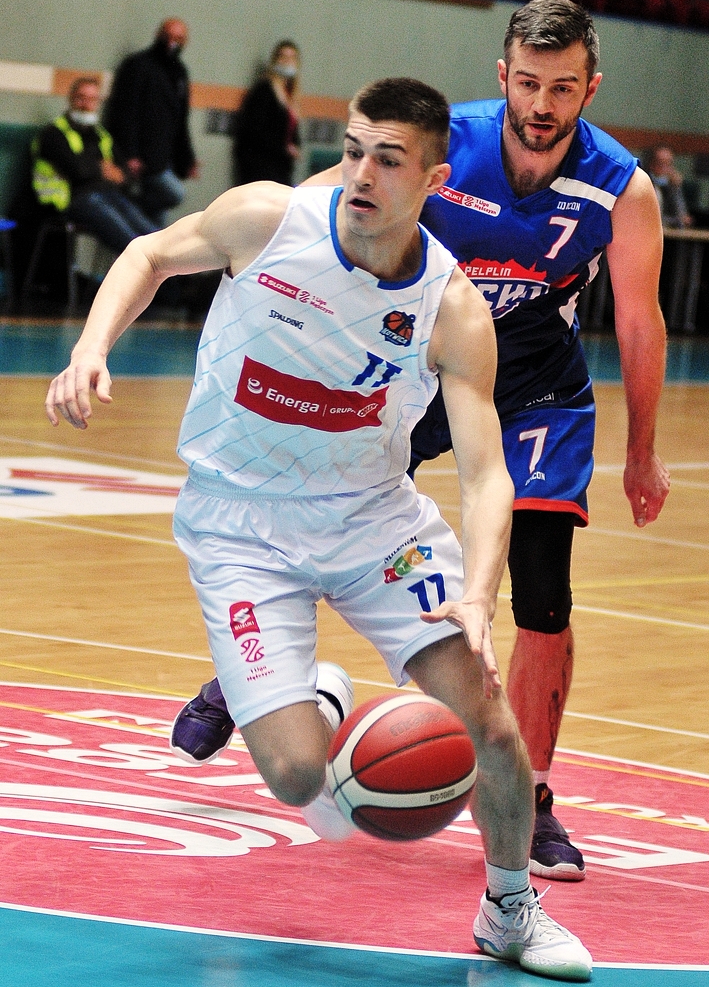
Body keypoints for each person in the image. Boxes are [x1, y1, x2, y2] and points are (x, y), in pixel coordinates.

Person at [46, 77, 592, 981]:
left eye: (388, 160)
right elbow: (147, 254)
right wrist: (89, 348)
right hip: (240, 526)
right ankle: (320, 694)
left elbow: (485, 473)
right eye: (352, 151)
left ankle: (508, 910)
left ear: (434, 179)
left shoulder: (451, 308)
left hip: (376, 525)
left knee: (490, 725)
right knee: (298, 777)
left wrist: (477, 595)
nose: (361, 174)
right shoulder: (267, 219)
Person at [169, 0, 671, 885]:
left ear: (590, 88)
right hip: (418, 362)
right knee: (338, 510)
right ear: (502, 76)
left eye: (562, 87)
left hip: (535, 380)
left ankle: (532, 797)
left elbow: (638, 319)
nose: (541, 103)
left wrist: (641, 450)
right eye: (527, 82)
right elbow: (320, 207)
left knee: (542, 588)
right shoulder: (442, 149)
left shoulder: (620, 189)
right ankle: (262, 682)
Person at [31, 76, 158, 253]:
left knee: (156, 238)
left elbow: (125, 174)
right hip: (73, 201)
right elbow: (78, 170)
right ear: (71, 99)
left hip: (110, 195)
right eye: (81, 98)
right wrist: (104, 169)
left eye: (92, 99)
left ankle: (172, 268)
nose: (86, 104)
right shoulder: (53, 133)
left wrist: (116, 173)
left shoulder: (101, 135)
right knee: (134, 246)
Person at [104, 18, 199, 227]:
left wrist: (187, 159)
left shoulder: (179, 72)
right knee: (174, 194)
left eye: (179, 38)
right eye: (168, 36)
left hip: (164, 155)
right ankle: (125, 208)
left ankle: (145, 241)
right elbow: (125, 111)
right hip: (143, 156)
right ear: (158, 34)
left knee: (156, 224)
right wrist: (130, 153)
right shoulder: (138, 65)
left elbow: (181, 119)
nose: (172, 42)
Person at [233, 40, 302, 186]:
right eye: (283, 57)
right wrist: (284, 149)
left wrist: (294, 146)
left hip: (280, 167)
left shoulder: (290, 96)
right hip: (261, 166)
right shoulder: (264, 90)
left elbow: (292, 131)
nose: (288, 62)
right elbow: (254, 130)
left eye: (292, 58)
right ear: (275, 60)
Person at [646, 146, 693, 228]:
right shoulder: (645, 185)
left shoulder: (671, 186)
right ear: (651, 164)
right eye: (661, 163)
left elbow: (682, 216)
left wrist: (676, 188)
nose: (665, 168)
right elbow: (652, 218)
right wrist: (677, 221)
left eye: (669, 164)